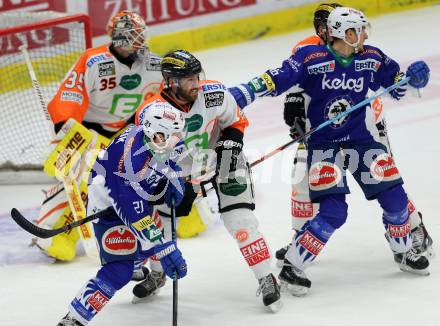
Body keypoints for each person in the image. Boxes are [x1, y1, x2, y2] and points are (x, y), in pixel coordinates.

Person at [229, 7, 431, 295]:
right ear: (342, 33)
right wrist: (244, 92)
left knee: (396, 199)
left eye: (363, 30)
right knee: (334, 212)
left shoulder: (370, 57)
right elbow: (278, 78)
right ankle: (292, 267)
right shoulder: (310, 58)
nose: (363, 35)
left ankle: (402, 251)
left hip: (361, 142)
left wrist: (413, 80)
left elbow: (396, 85)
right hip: (324, 146)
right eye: (357, 31)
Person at [34, 10, 207, 264]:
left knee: (162, 172)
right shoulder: (93, 62)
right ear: (121, 38)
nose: (141, 42)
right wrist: (65, 130)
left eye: (141, 36)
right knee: (88, 183)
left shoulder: (152, 64)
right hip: (90, 135)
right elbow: (69, 97)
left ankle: (184, 211)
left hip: (131, 134)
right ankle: (56, 230)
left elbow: (172, 97)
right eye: (135, 37)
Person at [276, 3, 434, 265]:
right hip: (322, 129)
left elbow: (392, 81)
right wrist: (294, 115)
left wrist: (408, 82)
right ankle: (300, 236)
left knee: (388, 181)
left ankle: (414, 229)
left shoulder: (358, 47)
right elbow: (297, 85)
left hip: (366, 127)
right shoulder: (306, 49)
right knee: (302, 179)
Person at [132, 50, 282, 311]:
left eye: (196, 76)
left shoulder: (215, 93)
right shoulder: (152, 112)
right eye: (188, 79)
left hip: (223, 162)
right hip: (179, 173)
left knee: (241, 221)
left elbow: (236, 121)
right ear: (171, 81)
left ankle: (266, 277)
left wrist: (229, 145)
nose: (196, 83)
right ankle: (158, 273)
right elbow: (151, 155)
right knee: (162, 225)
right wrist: (175, 183)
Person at [57, 104, 188, 326]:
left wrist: (175, 178)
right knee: (120, 270)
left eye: (178, 134)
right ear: (155, 134)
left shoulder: (156, 139)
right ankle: (74, 319)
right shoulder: (128, 163)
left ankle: (148, 268)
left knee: (151, 242)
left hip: (134, 199)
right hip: (109, 209)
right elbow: (133, 213)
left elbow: (175, 155)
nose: (178, 140)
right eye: (172, 135)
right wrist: (164, 248)